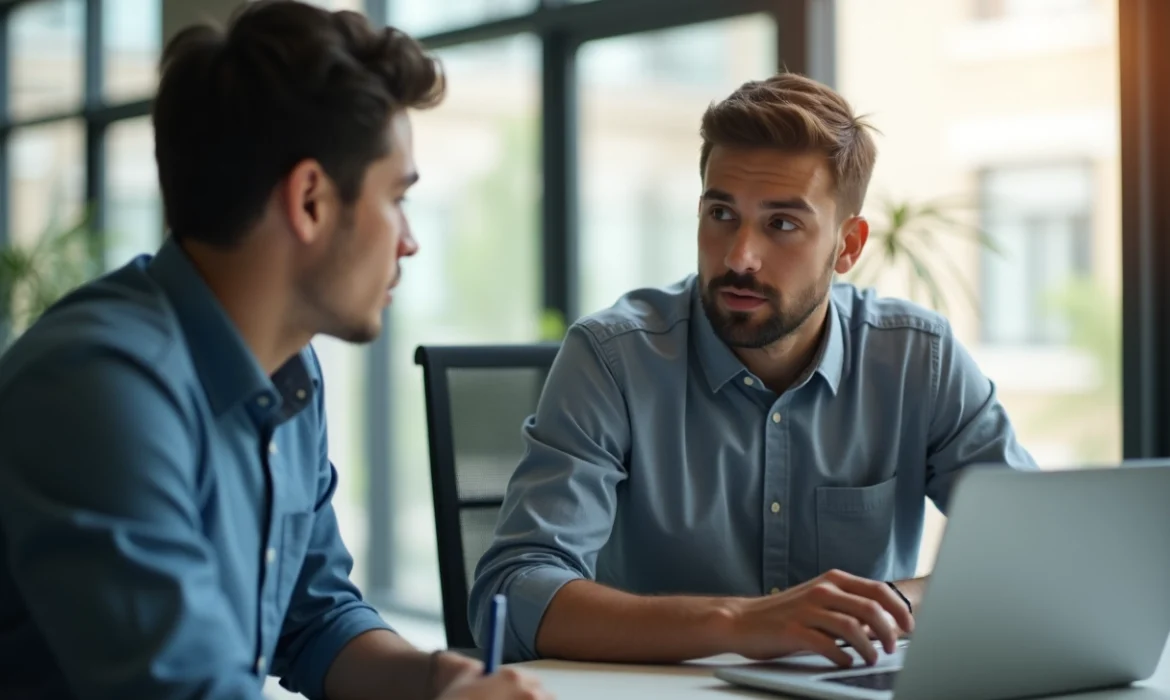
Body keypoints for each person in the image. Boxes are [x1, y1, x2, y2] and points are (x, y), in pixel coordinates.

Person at [0, 2, 550, 699]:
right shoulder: (97, 387)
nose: (409, 240)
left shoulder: (290, 373)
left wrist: (437, 680)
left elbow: (314, 619)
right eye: (396, 198)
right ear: (311, 200)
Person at [469, 72, 1037, 669]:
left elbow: (1033, 546)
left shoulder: (919, 358)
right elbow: (512, 592)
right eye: (721, 214)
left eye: (782, 224)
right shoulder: (612, 359)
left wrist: (885, 606)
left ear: (848, 246)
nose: (739, 257)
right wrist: (739, 623)